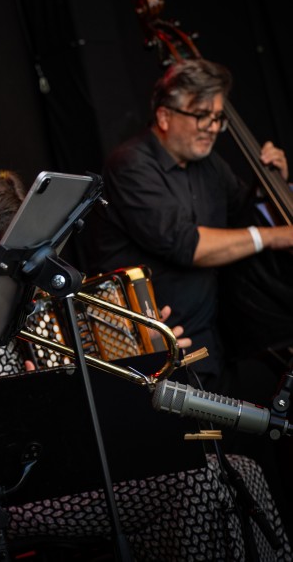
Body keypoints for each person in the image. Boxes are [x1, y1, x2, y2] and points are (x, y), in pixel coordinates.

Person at [0, 169, 292, 561]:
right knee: (199, 482)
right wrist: (13, 409)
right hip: (13, 496)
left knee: (241, 471)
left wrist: (148, 349)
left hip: (69, 475)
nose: (7, 264)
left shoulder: (17, 298)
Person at [83, 58, 293, 535]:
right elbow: (188, 244)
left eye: (218, 118)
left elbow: (242, 210)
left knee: (249, 473)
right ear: (164, 115)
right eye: (202, 116)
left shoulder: (208, 165)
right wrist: (279, 236)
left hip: (212, 347)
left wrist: (271, 181)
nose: (213, 128)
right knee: (198, 484)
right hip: (156, 357)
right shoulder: (131, 165)